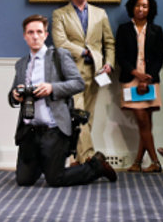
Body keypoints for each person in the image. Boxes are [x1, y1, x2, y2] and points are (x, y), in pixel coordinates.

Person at [11, 15, 117, 187]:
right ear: (25, 36)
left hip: (54, 128)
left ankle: (96, 166)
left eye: (39, 32)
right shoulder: (21, 64)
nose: (35, 36)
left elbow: (78, 83)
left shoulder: (59, 56)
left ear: (46, 35)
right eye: (30, 32)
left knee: (55, 179)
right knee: (23, 180)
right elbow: (12, 94)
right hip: (29, 131)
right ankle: (43, 163)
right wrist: (15, 95)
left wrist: (52, 88)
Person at [51, 0, 115, 163]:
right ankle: (88, 158)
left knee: (88, 115)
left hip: (96, 72)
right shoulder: (60, 14)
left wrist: (109, 63)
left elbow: (109, 42)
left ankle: (75, 158)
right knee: (78, 114)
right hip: (71, 71)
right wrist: (85, 52)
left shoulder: (100, 13)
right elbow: (60, 42)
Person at [115, 0, 163, 172]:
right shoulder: (123, 29)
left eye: (145, 6)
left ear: (150, 9)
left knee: (146, 122)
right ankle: (154, 161)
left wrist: (147, 77)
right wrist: (136, 74)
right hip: (131, 79)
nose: (141, 9)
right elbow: (120, 55)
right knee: (142, 121)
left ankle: (138, 162)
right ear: (132, 7)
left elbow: (159, 58)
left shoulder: (156, 30)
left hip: (150, 79)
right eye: (138, 5)